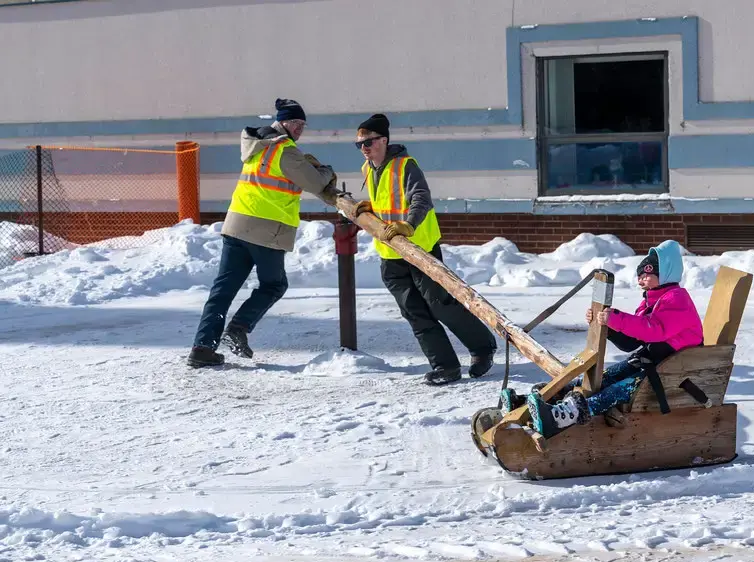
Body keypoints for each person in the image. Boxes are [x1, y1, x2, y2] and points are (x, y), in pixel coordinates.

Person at [188, 98, 343, 368]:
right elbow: (315, 182)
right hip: (265, 228)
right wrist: (326, 171)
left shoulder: (255, 145)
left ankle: (202, 347)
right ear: (281, 122)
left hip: (237, 223)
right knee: (274, 284)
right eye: (295, 123)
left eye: (303, 124)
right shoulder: (284, 149)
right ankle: (238, 329)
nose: (299, 129)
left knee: (223, 290)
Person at [345, 113, 496, 385]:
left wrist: (409, 225)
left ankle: (483, 348)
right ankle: (445, 367)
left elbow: (420, 198)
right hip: (390, 254)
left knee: (440, 305)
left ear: (384, 140)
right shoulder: (368, 169)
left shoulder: (406, 165)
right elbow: (387, 199)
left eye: (368, 143)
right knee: (415, 313)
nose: (364, 149)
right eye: (359, 145)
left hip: (420, 249)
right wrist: (371, 207)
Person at [501, 240, 703, 438]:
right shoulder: (651, 301)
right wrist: (608, 325)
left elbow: (654, 330)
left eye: (647, 274)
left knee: (618, 390)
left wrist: (617, 319)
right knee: (603, 378)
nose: (641, 280)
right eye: (639, 275)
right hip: (653, 362)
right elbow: (632, 342)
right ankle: (540, 400)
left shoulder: (677, 299)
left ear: (665, 272)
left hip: (676, 371)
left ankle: (560, 417)